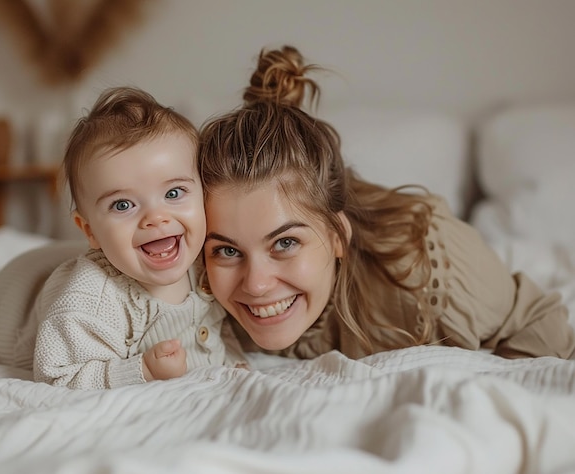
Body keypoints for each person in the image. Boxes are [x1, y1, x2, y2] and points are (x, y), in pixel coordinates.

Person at [197, 45, 575, 360]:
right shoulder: (192, 278)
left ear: (336, 236)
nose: (257, 285)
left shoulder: (431, 271)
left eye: (285, 243)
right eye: (227, 251)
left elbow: (539, 321)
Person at [0, 86, 246, 389]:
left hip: (57, 261)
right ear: (89, 230)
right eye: (123, 205)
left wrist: (234, 361)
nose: (156, 218)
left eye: (173, 193)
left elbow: (217, 324)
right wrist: (140, 370)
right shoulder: (89, 298)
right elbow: (59, 373)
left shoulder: (207, 262)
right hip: (24, 308)